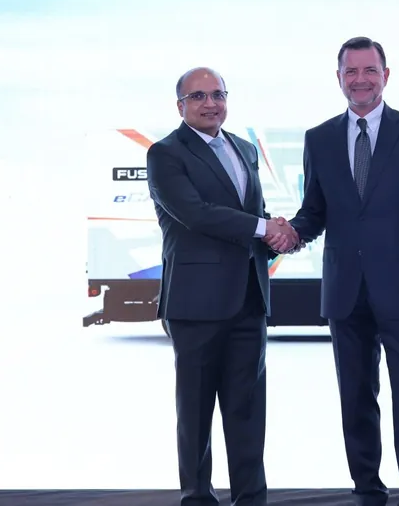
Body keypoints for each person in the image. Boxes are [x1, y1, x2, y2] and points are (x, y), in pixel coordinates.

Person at [274, 37, 399, 506]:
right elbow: (315, 211)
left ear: (385, 76)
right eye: (350, 72)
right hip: (345, 291)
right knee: (354, 397)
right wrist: (291, 232)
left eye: (369, 70)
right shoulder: (319, 138)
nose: (360, 80)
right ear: (338, 79)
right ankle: (367, 489)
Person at [146, 67, 300, 506]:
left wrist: (283, 235)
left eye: (218, 94)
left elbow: (254, 214)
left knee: (248, 413)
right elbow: (196, 213)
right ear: (180, 106)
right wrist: (265, 227)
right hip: (195, 304)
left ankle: (251, 499)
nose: (210, 103)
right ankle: (197, 499)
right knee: (195, 414)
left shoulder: (244, 148)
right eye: (198, 96)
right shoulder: (165, 154)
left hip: (249, 299)